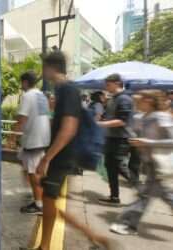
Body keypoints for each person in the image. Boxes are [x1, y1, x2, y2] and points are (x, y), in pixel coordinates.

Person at [21, 51, 115, 250]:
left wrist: (47, 158)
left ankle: (46, 246)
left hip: (62, 156)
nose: (42, 71)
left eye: (44, 67)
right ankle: (93, 238)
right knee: (49, 200)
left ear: (51, 67)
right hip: (61, 155)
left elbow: (69, 129)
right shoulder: (62, 90)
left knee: (49, 199)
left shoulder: (68, 89)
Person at [110, 90, 173, 235]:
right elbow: (137, 135)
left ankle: (128, 224)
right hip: (150, 163)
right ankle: (128, 224)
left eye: (138, 101)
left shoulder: (162, 117)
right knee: (164, 194)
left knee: (145, 196)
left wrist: (147, 141)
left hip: (160, 163)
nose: (135, 103)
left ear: (149, 100)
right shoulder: (140, 117)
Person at [14, 71, 51, 215]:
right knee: (29, 167)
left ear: (24, 82)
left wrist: (12, 136)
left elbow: (22, 118)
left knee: (33, 173)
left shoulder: (28, 95)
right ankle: (38, 196)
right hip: (42, 138)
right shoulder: (41, 95)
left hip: (33, 140)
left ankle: (39, 204)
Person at [98, 74, 134, 206]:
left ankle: (143, 190)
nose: (106, 87)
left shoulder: (124, 99)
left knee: (120, 167)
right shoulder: (113, 98)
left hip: (121, 139)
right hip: (111, 137)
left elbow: (122, 121)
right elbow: (109, 117)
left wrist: (101, 124)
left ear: (117, 83)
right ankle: (114, 197)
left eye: (108, 84)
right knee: (110, 167)